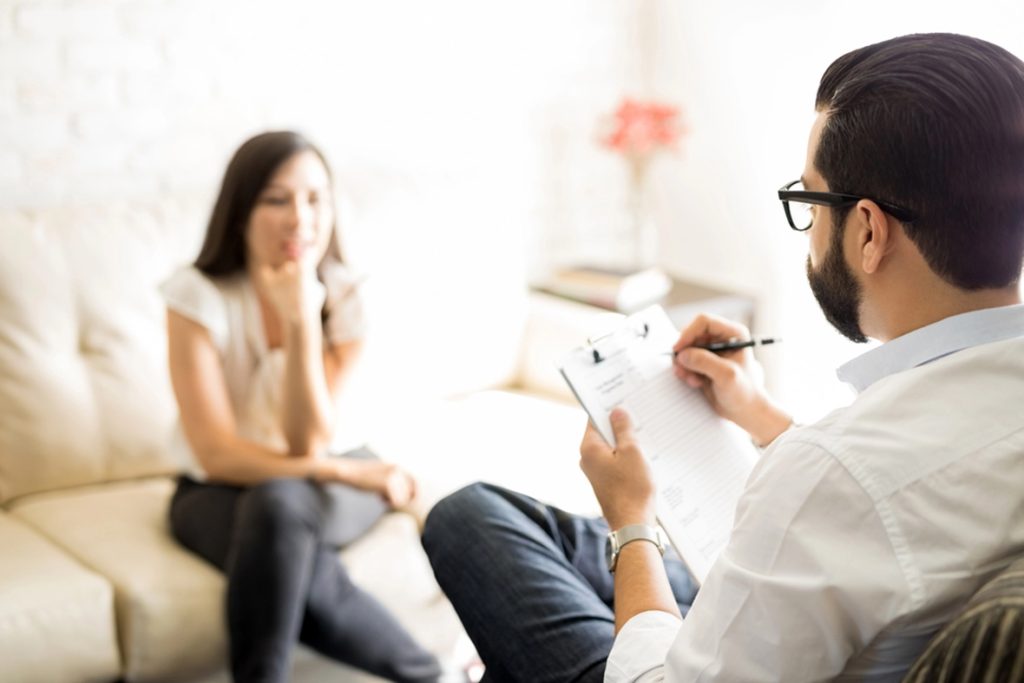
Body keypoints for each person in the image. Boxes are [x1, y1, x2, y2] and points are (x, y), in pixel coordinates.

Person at [422, 32, 1024, 682]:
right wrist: (760, 415)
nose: (810, 230)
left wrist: (632, 522)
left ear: (869, 232)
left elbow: (857, 497)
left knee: (468, 516)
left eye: (810, 199)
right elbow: (904, 504)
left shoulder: (832, 477)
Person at [161, 131, 442, 683]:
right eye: (276, 199)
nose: (300, 219)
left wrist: (299, 321)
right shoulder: (196, 295)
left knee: (279, 509)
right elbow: (217, 454)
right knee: (287, 537)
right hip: (225, 487)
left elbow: (305, 441)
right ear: (240, 209)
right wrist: (346, 470)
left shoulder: (344, 295)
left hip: (332, 488)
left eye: (316, 199)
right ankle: (430, 674)